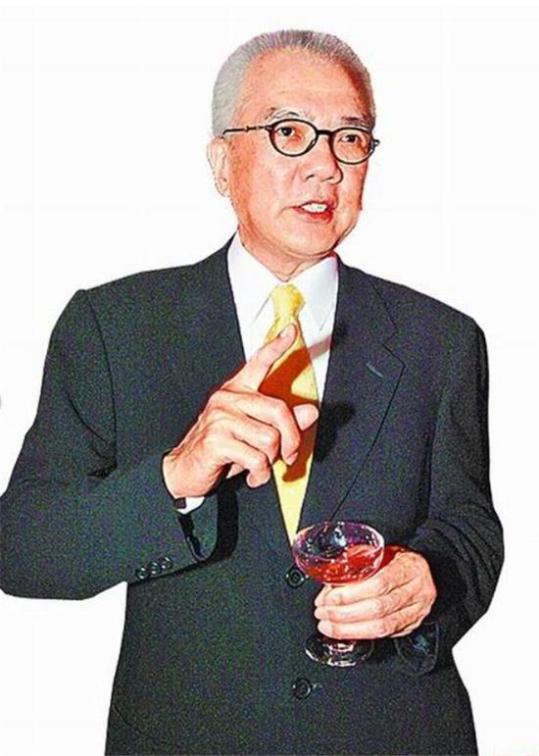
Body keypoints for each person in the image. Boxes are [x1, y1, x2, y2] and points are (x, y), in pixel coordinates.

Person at [0, 29, 504, 756]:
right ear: (220, 161)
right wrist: (175, 478)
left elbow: (470, 527)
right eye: (289, 133)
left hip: (394, 731)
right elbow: (23, 547)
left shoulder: (442, 339)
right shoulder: (113, 326)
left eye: (350, 139)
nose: (325, 166)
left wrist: (428, 580)